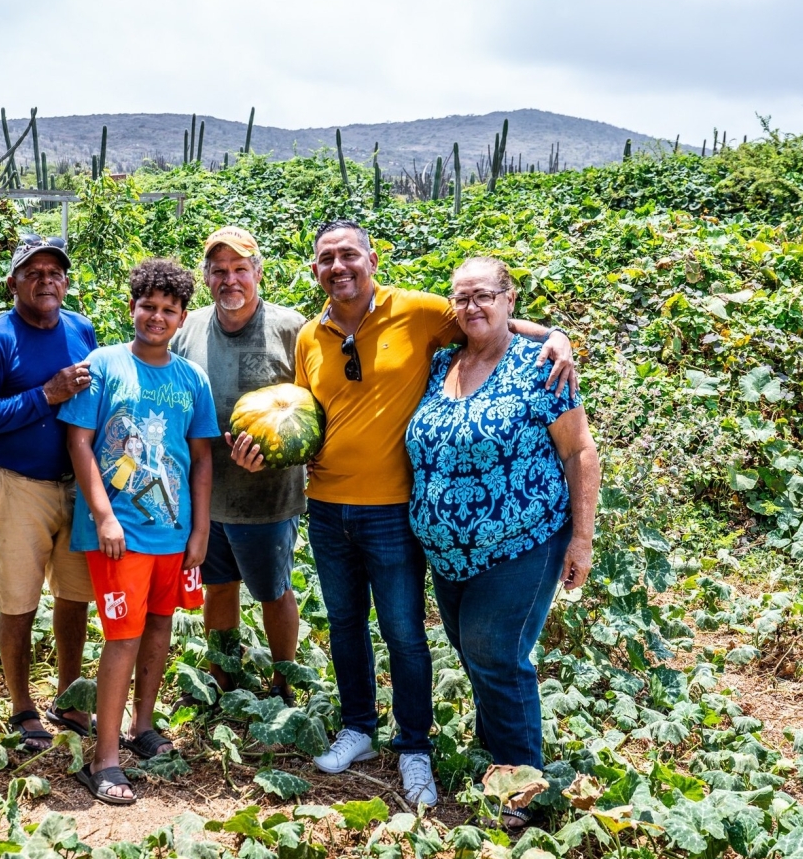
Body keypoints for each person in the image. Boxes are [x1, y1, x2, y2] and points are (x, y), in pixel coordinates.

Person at [231, 219, 575, 808]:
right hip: (327, 507)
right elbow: (306, 421)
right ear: (314, 270)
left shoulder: (417, 312)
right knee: (344, 624)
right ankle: (359, 728)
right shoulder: (311, 337)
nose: (338, 267)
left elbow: (483, 317)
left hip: (394, 510)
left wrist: (557, 334)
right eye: (325, 259)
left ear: (371, 259)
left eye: (349, 255)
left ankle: (414, 744)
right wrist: (265, 455)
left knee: (404, 633)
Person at [405, 256, 599, 828]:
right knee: (475, 654)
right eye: (461, 298)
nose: (471, 307)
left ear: (509, 300)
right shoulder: (443, 361)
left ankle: (523, 797)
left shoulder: (538, 366)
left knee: (495, 653)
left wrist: (582, 539)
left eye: (483, 296)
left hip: (524, 542)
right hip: (449, 552)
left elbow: (578, 451)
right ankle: (496, 761)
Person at [61, 259, 219, 805]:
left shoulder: (191, 378)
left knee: (158, 626)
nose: (157, 316)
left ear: (181, 318)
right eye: (147, 306)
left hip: (172, 534)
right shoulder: (103, 365)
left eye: (168, 310)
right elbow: (80, 443)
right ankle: (103, 759)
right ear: (131, 307)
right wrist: (103, 514)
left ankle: (141, 726)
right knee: (122, 638)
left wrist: (199, 530)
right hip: (119, 535)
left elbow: (200, 459)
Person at [0, 234, 98, 752]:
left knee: (75, 596)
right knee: (18, 602)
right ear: (12, 282)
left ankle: (68, 695)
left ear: (65, 281)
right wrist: (45, 396)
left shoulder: (82, 329)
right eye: (32, 272)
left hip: (76, 486)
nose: (45, 281)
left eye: (54, 272)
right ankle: (21, 706)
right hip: (18, 486)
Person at [171, 227, 306, 704]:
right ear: (206, 277)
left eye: (240, 269)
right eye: (220, 270)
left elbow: (316, 407)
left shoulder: (291, 328)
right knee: (219, 587)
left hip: (267, 496)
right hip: (206, 493)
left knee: (274, 590)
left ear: (258, 274)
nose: (231, 279)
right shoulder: (187, 327)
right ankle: (223, 675)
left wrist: (278, 454)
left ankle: (285, 683)